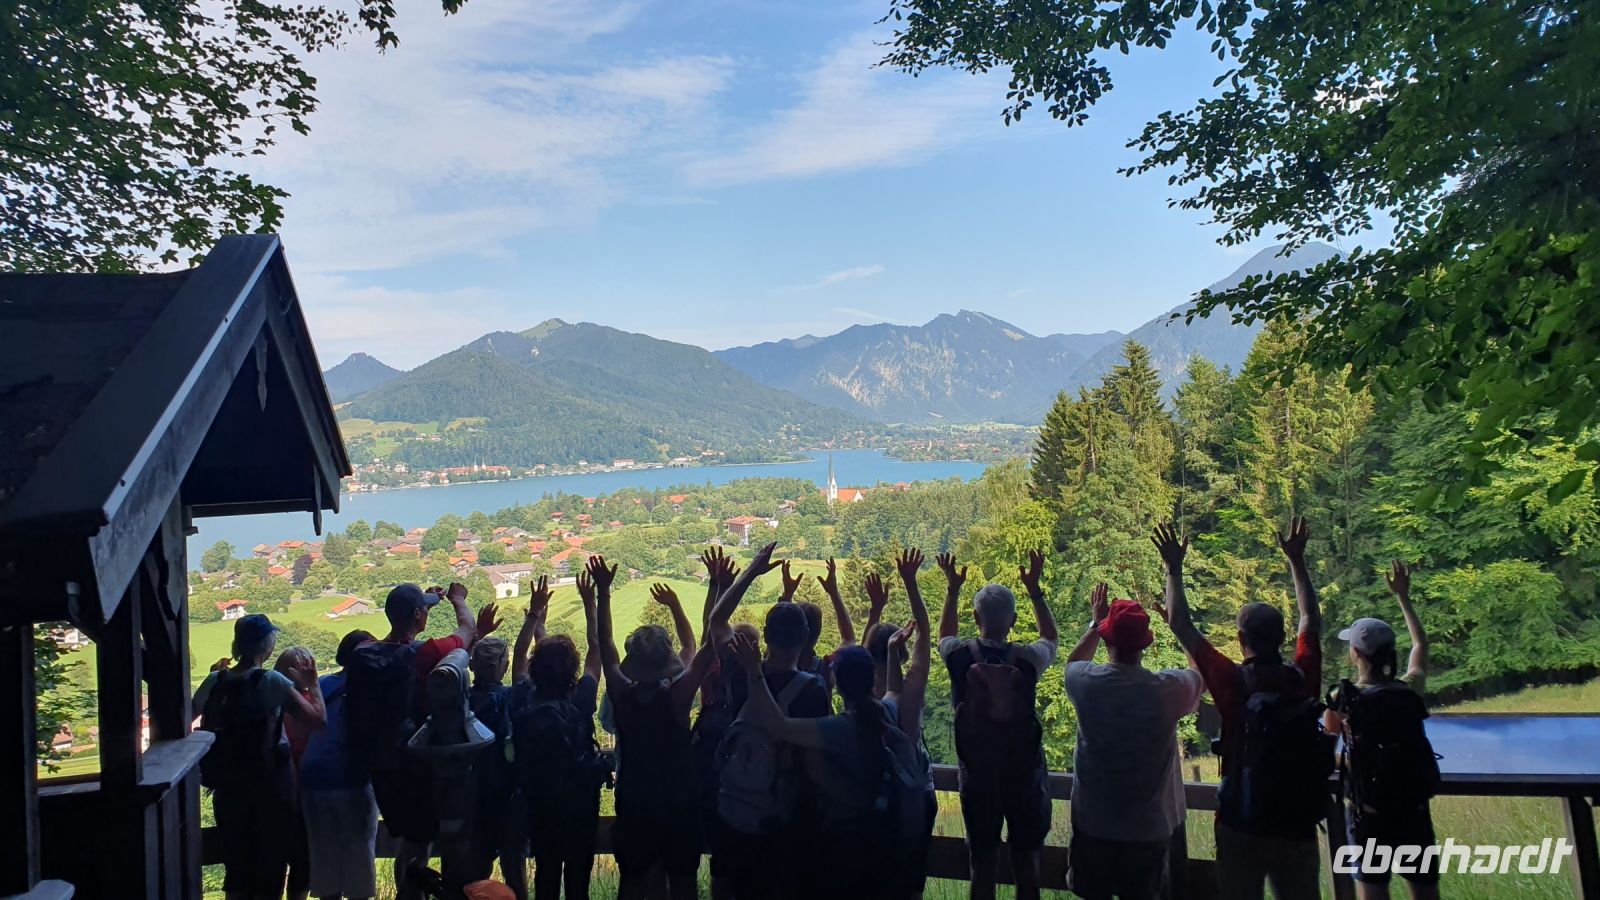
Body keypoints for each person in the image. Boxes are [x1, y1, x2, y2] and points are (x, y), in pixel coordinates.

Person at [728, 547, 936, 900]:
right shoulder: (889, 711)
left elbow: (778, 725)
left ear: (835, 682)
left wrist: (753, 672)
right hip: (895, 830)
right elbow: (906, 670)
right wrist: (906, 600)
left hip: (848, 838)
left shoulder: (835, 729)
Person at [1154, 519, 1329, 900]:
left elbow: (1181, 624)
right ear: (1282, 637)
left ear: (1239, 639)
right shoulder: (1302, 678)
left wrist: (1173, 567)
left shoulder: (1232, 681)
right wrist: (1296, 561)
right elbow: (1310, 620)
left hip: (1239, 823)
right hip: (1296, 823)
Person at [345, 582, 500, 900]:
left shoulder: (363, 654)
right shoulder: (422, 654)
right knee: (431, 841)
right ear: (418, 616)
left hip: (380, 766)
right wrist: (458, 600)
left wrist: (427, 601)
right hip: (415, 763)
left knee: (411, 841)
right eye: (424, 610)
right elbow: (467, 629)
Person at [704, 543, 831, 899]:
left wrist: (752, 571)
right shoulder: (813, 690)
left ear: (767, 634)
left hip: (734, 810)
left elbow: (717, 620)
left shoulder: (740, 672)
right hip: (783, 817)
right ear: (805, 639)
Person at [1063, 584, 1203, 900]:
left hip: (1093, 821)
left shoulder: (1086, 683)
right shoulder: (1166, 690)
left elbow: (1072, 664)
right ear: (1145, 644)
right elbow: (1200, 672)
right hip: (1147, 827)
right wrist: (1179, 630)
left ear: (1107, 638)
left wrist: (1095, 624)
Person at [593, 553, 716, 900]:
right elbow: (702, 644)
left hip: (634, 798)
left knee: (632, 882)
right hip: (679, 800)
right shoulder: (678, 697)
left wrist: (603, 592)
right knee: (683, 882)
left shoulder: (621, 694)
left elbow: (606, 646)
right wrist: (713, 586)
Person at [938, 549, 1058, 900]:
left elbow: (944, 634)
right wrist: (1035, 590)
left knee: (982, 867)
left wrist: (952, 589)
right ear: (1014, 620)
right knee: (1028, 867)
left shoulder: (958, 655)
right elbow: (1051, 638)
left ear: (976, 617)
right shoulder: (1028, 660)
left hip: (978, 780)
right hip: (1024, 779)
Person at [1325, 562, 1441, 900]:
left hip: (1368, 815)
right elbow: (1420, 646)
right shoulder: (1409, 689)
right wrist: (1403, 597)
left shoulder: (1342, 698)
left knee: (1374, 893)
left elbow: (1330, 748)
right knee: (1425, 893)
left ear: (1355, 654)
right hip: (1413, 811)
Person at [195, 613, 326, 900]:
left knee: (236, 865)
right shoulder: (271, 681)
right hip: (271, 787)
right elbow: (317, 720)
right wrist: (313, 684)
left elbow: (186, 715)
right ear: (267, 645)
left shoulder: (215, 679)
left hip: (228, 787)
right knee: (271, 863)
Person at [511, 574, 608, 900]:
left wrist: (535, 613)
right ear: (573, 668)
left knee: (546, 872)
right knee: (578, 877)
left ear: (535, 667)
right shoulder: (581, 698)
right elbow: (597, 648)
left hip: (539, 801)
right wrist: (591, 602)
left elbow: (519, 654)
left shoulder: (524, 698)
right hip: (579, 802)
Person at [299, 629, 380, 900]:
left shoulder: (323, 684)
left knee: (323, 852)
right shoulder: (370, 690)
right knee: (359, 849)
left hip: (313, 777)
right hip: (351, 777)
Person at [464, 635, 526, 899]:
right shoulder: (512, 697)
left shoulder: (461, 700)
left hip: (472, 795)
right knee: (514, 866)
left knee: (477, 870)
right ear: (503, 666)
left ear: (472, 666)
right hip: (509, 794)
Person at [276, 646, 318, 900]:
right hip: (304, 788)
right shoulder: (310, 701)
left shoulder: (271, 697)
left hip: (275, 787)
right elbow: (319, 724)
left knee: (275, 859)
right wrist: (313, 686)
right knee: (303, 859)